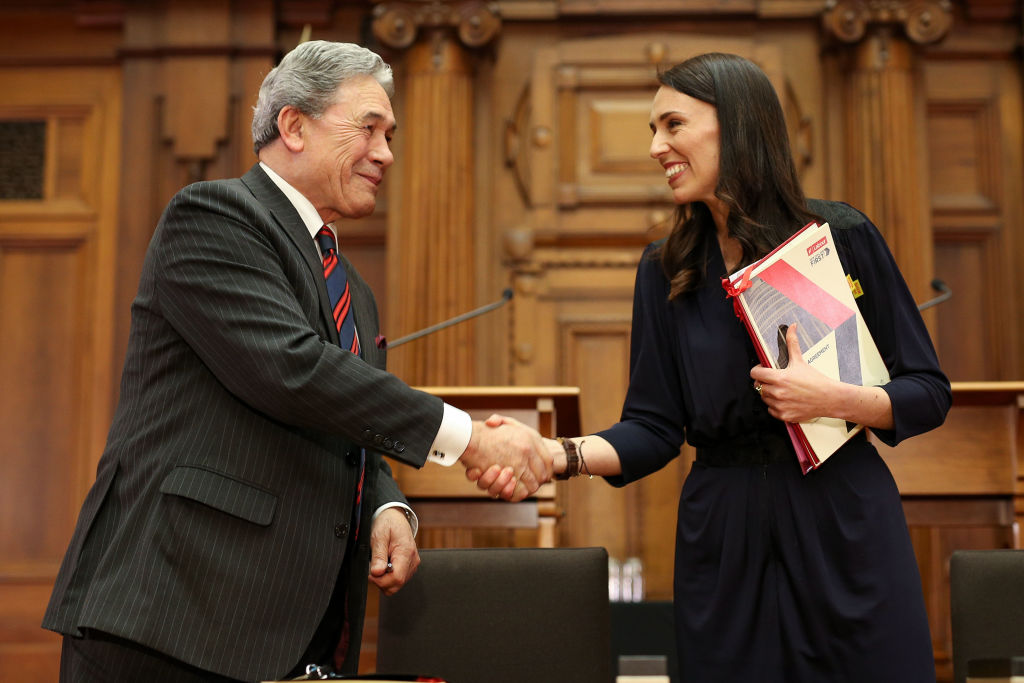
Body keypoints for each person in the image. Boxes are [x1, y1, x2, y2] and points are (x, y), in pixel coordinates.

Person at [43, 40, 551, 683]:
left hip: (280, 631)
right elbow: (292, 370)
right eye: (369, 129)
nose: (386, 153)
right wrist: (470, 438)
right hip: (170, 616)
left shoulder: (353, 290)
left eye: (390, 135)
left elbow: (347, 420)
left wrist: (388, 508)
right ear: (294, 125)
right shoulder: (215, 215)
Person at [474, 52, 951, 682]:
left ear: (738, 125)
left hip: (842, 522)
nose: (655, 147)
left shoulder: (837, 235)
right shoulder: (666, 267)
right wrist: (554, 453)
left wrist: (835, 400)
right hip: (723, 540)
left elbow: (928, 392)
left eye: (672, 125)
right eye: (652, 130)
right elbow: (651, 427)